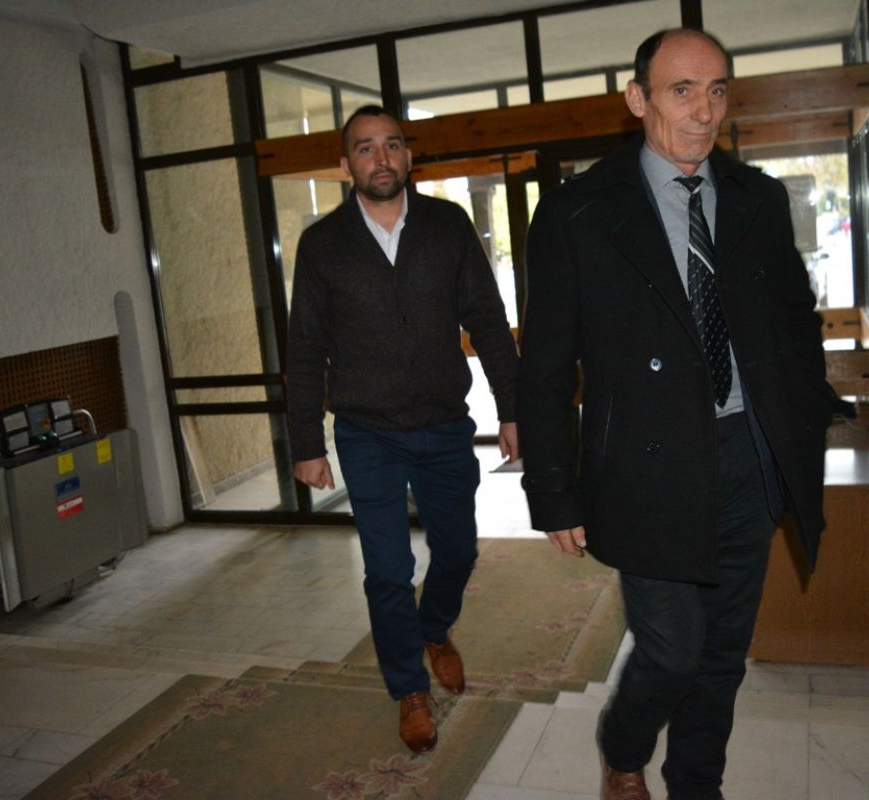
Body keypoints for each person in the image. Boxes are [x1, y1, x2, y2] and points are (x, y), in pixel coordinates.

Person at [517, 28, 832, 800]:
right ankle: (624, 748)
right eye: (682, 91)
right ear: (638, 99)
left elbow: (796, 325)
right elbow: (546, 366)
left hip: (747, 459)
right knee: (672, 651)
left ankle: (697, 785)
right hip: (646, 468)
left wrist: (802, 424)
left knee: (722, 654)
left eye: (717, 90)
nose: (704, 111)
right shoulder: (577, 211)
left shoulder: (759, 199)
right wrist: (553, 491)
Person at [286, 105, 519, 751]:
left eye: (391, 145)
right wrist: (306, 443)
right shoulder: (323, 244)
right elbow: (305, 349)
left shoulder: (448, 226)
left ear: (408, 156)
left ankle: (434, 628)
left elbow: (489, 321)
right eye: (366, 148)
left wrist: (513, 409)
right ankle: (409, 689)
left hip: (444, 426)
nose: (381, 158)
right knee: (387, 570)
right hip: (368, 434)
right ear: (346, 165)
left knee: (459, 551)